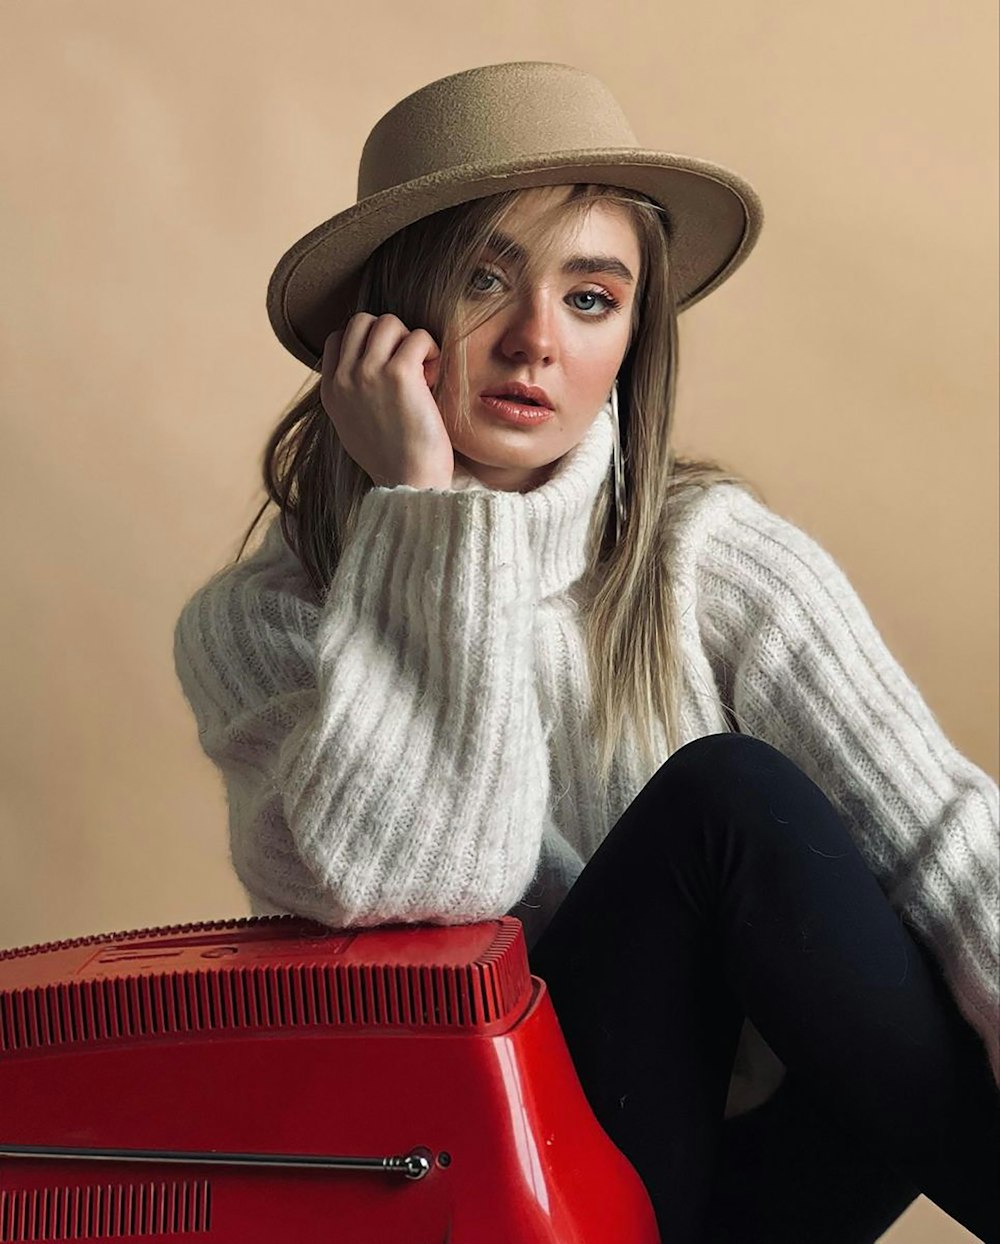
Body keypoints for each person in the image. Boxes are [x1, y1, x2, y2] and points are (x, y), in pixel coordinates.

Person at [172, 62, 999, 1242]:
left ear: (631, 334)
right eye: (481, 279)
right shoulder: (264, 622)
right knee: (722, 799)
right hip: (514, 1175)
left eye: (591, 298)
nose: (532, 342)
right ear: (383, 321)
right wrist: (425, 512)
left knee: (913, 895)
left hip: (779, 1171)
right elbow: (417, 890)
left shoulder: (705, 556)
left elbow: (937, 829)